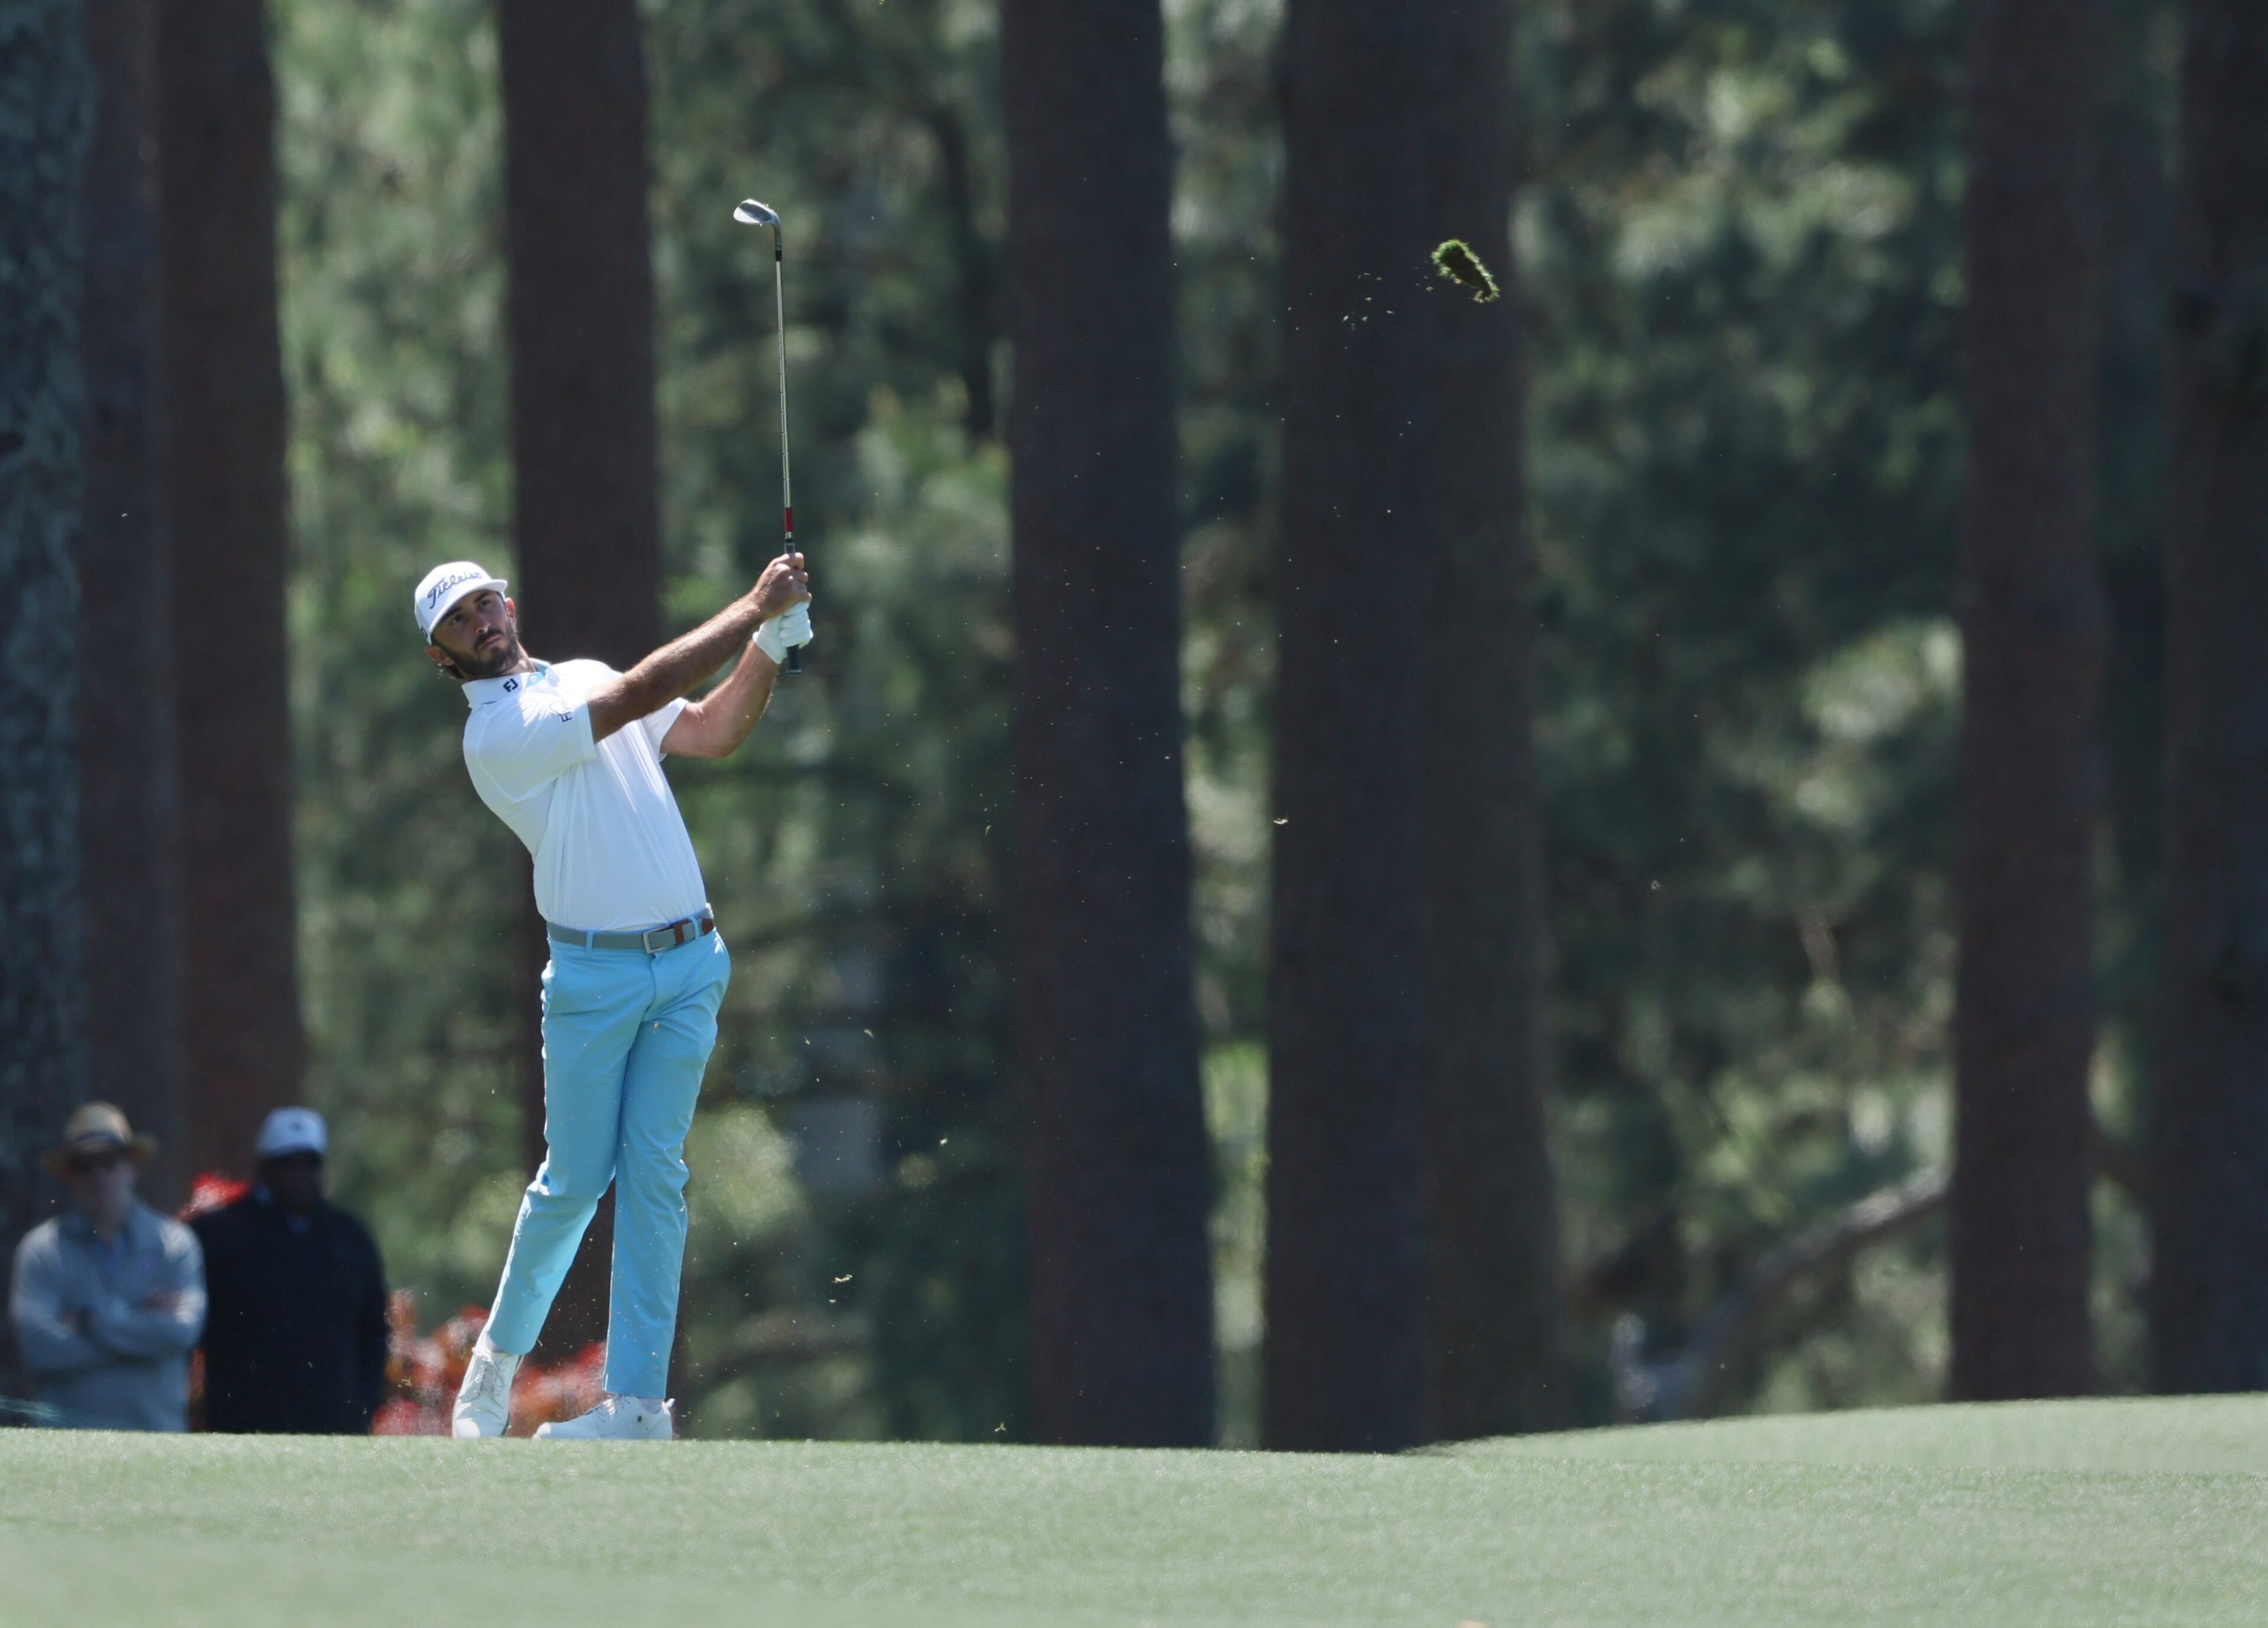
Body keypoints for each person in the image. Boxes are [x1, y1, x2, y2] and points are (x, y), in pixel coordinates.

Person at [415, 551, 812, 1440]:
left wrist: (771, 651)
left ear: (508, 603)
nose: (481, 621)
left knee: (656, 1177)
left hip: (690, 962)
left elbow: (711, 731)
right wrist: (752, 608)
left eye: (485, 602)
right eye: (459, 621)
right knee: (574, 1182)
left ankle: (636, 1408)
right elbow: (636, 693)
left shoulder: (583, 675)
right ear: (443, 656)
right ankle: (495, 1368)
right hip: (593, 978)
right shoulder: (496, 736)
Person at [192, 1107, 390, 1434]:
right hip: (243, 1426)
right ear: (264, 1168)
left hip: (335, 1427)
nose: (301, 1174)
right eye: (287, 1163)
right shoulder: (220, 1234)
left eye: (310, 1163)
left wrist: (362, 1410)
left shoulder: (350, 1237)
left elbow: (374, 1332)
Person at [8, 1103, 205, 1431]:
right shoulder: (41, 1251)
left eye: (109, 1161)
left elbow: (182, 1331)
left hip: (158, 1447)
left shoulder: (175, 1243)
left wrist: (86, 1321)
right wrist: (141, 1325)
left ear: (133, 1166)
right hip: (69, 1453)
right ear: (70, 1175)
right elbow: (39, 1348)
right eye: (84, 1165)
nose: (97, 1175)